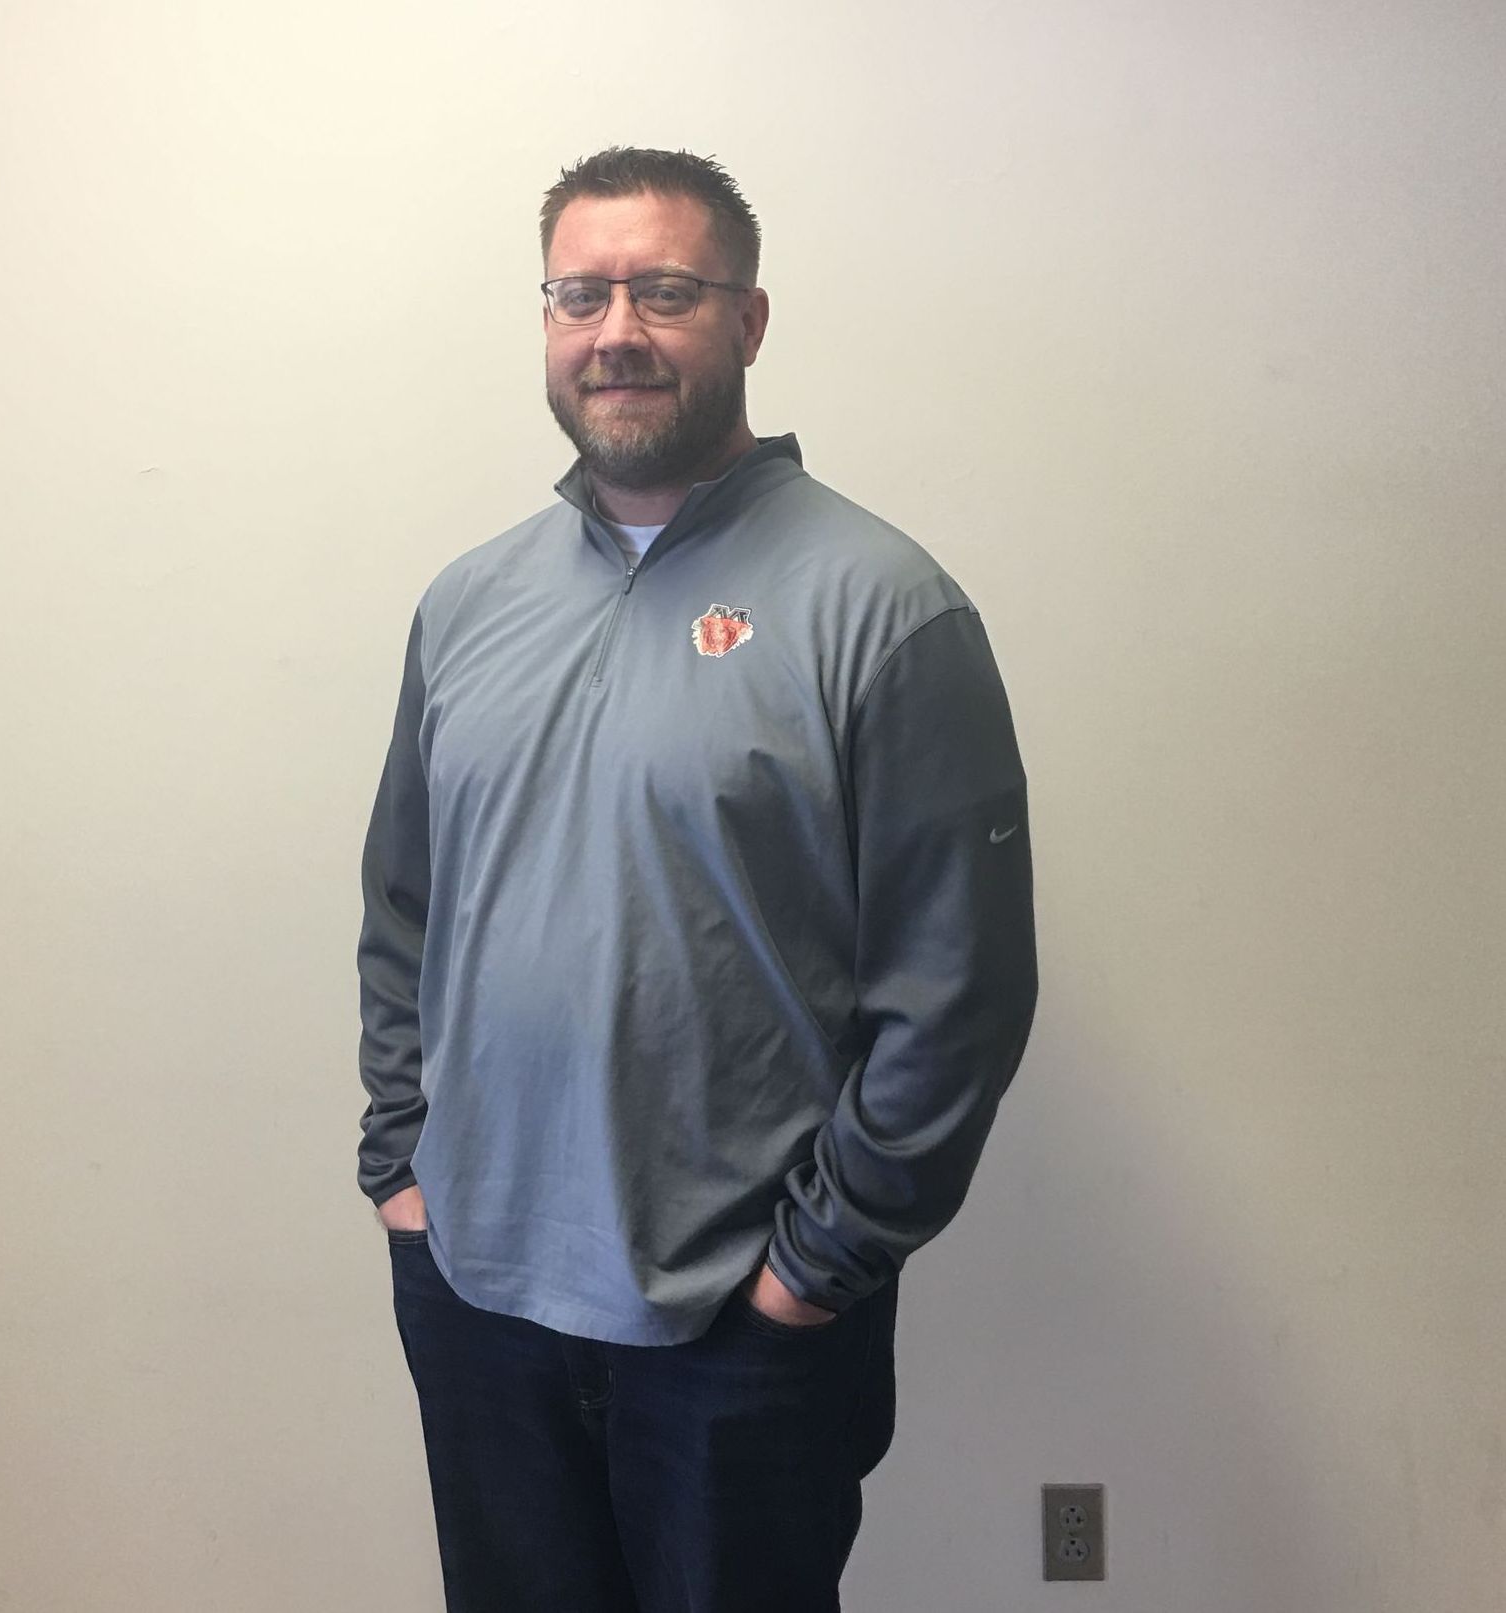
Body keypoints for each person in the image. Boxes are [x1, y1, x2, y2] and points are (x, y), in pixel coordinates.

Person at [355, 146, 1038, 1613]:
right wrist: (402, 1170)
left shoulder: (882, 607)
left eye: (665, 290)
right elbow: (403, 912)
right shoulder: (469, 602)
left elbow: (958, 993)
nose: (617, 330)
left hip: (735, 1320)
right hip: (478, 1294)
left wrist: (815, 1268)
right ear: (546, 318)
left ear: (747, 319)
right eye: (581, 292)